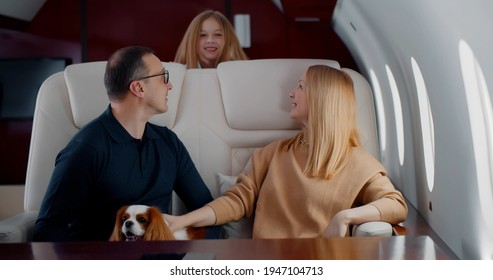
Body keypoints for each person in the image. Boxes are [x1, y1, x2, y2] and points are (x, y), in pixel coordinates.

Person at [166, 65, 408, 238]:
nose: (291, 93)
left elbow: (396, 204)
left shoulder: (359, 163)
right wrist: (182, 221)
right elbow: (236, 201)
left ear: (322, 98)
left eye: (300, 87)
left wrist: (344, 217)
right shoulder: (272, 154)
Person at [33, 46, 217, 241]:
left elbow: (206, 210)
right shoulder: (85, 149)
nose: (169, 85)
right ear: (138, 88)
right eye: (163, 76)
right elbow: (48, 230)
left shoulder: (169, 143)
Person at [174, 10, 248, 69]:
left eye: (218, 34)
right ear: (191, 41)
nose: (210, 40)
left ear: (229, 40)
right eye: (203, 35)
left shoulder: (243, 71)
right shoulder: (176, 74)